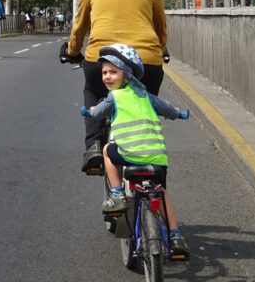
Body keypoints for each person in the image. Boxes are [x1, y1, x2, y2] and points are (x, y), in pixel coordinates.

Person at [63, 0, 167, 175]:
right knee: (146, 103)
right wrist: (159, 50)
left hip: (102, 56)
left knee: (93, 91)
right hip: (146, 60)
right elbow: (160, 23)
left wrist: (72, 51)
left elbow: (80, 23)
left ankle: (94, 147)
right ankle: (148, 153)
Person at [80, 43, 190, 260]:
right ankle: (176, 235)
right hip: (157, 156)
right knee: (161, 191)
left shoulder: (115, 98)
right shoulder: (147, 96)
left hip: (128, 154)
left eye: (113, 72)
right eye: (105, 72)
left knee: (107, 151)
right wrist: (181, 114)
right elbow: (168, 108)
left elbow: (97, 112)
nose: (107, 77)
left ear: (126, 74)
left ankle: (117, 194)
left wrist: (88, 111)